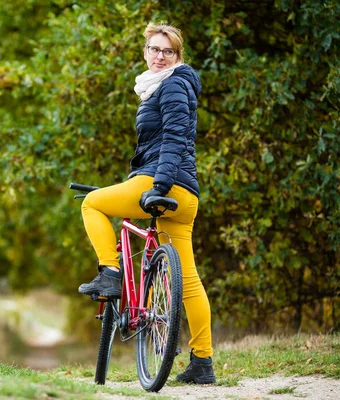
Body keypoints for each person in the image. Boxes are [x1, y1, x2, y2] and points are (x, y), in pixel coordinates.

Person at [77, 22, 216, 385]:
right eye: (154, 49)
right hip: (185, 195)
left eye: (167, 51)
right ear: (145, 52)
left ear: (177, 57)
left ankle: (109, 274)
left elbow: (172, 138)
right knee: (188, 281)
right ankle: (202, 363)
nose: (159, 56)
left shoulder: (172, 85)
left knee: (92, 204)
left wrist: (159, 185)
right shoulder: (164, 86)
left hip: (162, 183)